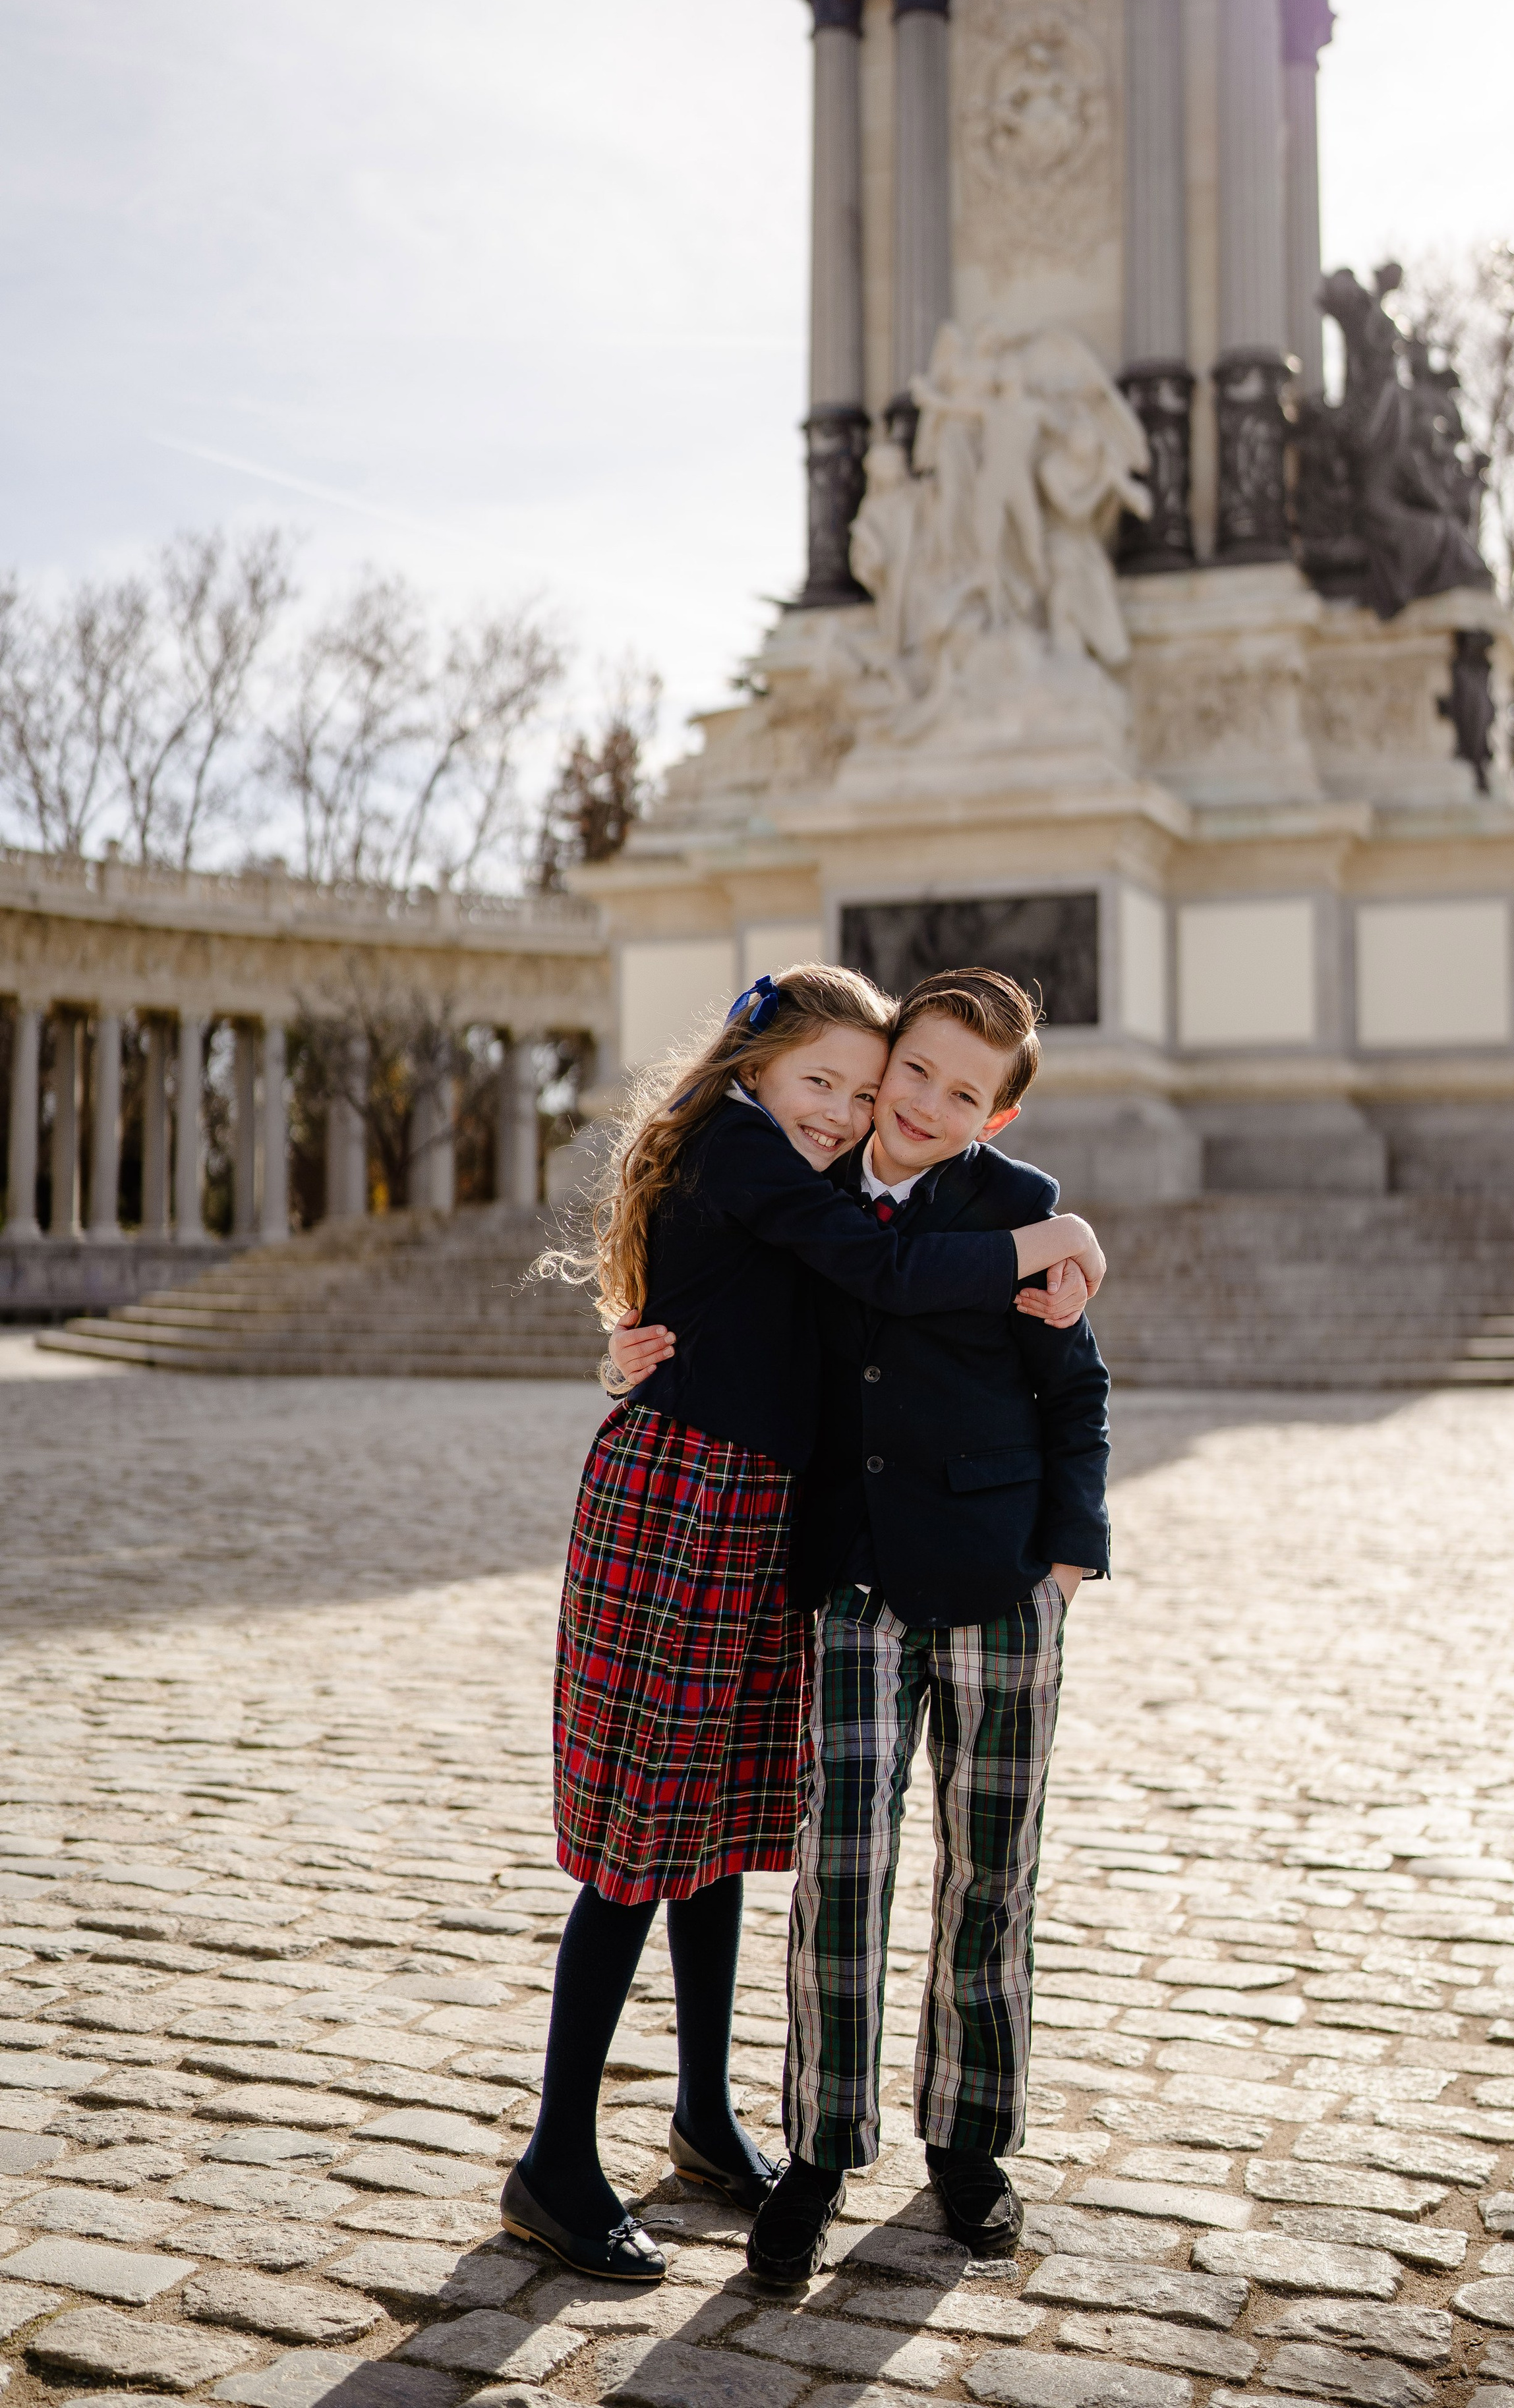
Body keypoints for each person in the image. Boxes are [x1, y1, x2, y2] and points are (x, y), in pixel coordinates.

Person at [503, 961, 1106, 2286]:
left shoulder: (813, 1169)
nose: (841, 1110)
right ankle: (553, 2155)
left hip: (757, 1519)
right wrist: (1050, 1242)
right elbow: (881, 1269)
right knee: (635, 1842)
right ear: (752, 1069)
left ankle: (707, 2116)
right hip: (679, 1507)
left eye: (857, 1083)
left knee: (714, 1830)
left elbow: (859, 1280)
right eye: (818, 1081)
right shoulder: (739, 1149)